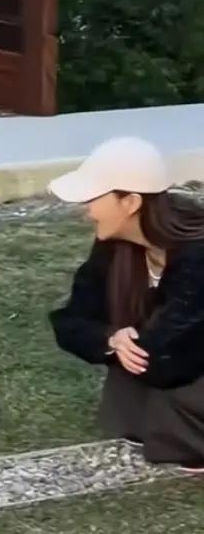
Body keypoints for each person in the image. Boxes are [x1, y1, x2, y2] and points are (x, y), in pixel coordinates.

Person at [47, 135, 204, 474]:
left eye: (93, 198)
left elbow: (171, 353)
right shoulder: (114, 246)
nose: (86, 211)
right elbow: (70, 320)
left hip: (187, 364)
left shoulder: (197, 254)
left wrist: (137, 346)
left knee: (158, 380)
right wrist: (112, 339)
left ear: (130, 202)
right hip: (169, 364)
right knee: (130, 380)